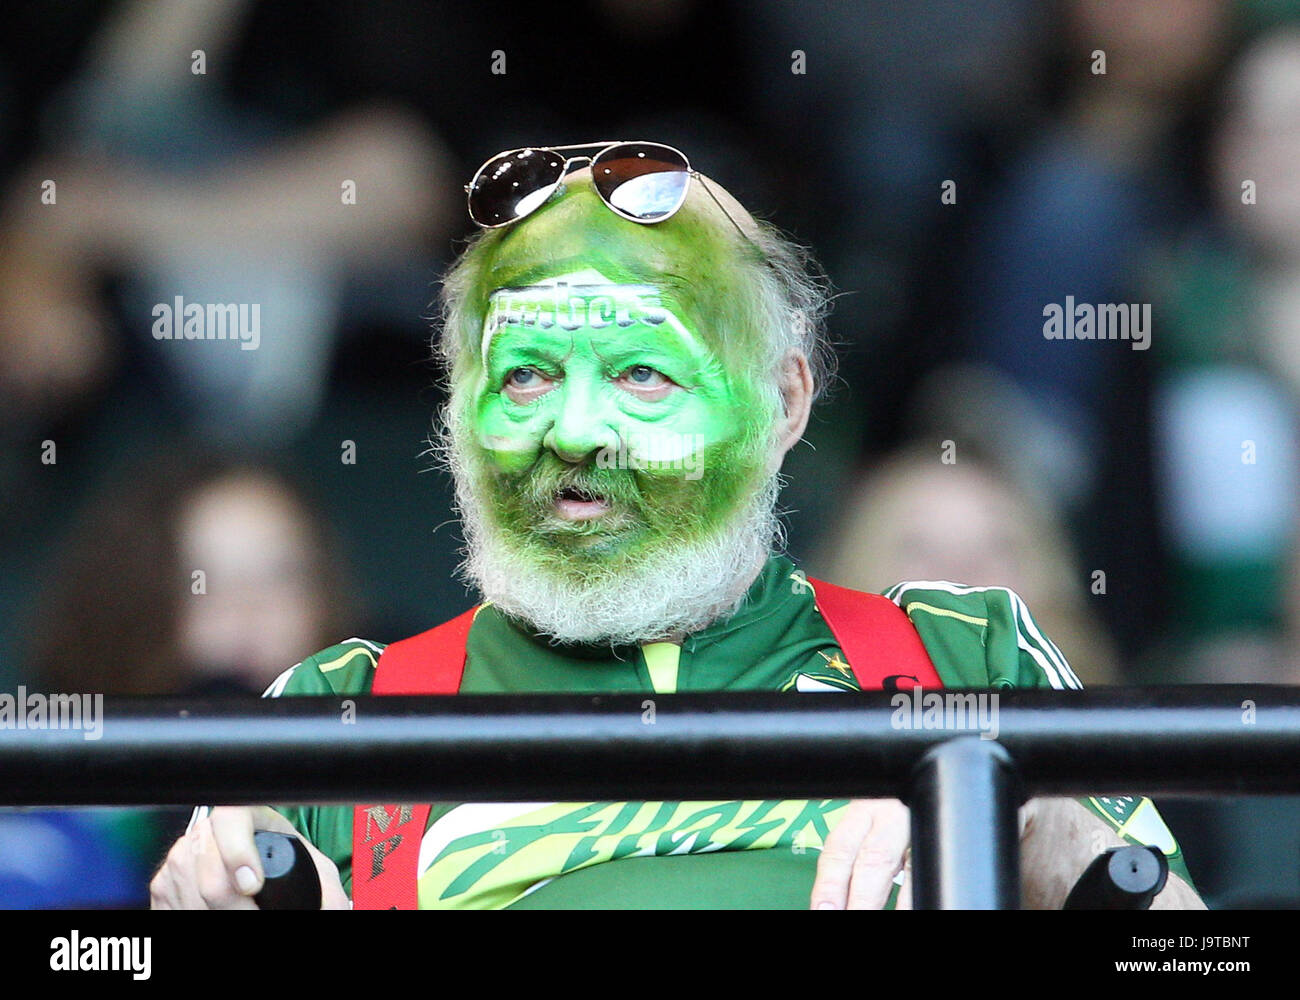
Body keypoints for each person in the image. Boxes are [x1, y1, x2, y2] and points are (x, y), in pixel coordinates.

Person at [150, 141, 1203, 910]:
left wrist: (1014, 808)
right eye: (523, 375)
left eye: (642, 374)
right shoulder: (345, 707)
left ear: (784, 404)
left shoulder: (962, 651)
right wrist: (201, 898)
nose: (573, 431)